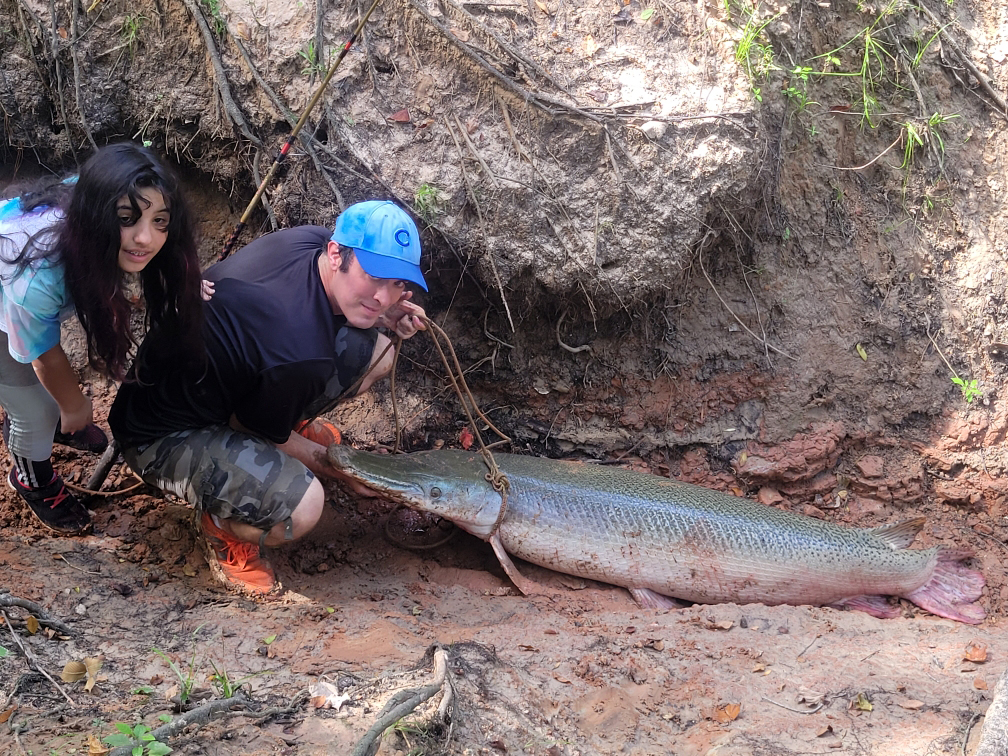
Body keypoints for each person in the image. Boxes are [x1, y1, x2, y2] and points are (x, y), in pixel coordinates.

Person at [108, 200, 428, 595]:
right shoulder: (297, 352)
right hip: (160, 435)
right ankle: (223, 530)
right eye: (374, 276)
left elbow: (300, 332)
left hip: (222, 383)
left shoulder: (310, 241)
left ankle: (278, 414)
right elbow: (254, 422)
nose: (383, 296)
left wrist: (383, 315)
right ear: (336, 254)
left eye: (397, 283)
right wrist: (342, 468)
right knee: (304, 507)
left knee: (377, 352)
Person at [0, 143, 204, 534]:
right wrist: (74, 406)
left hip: (25, 286)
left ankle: (57, 424)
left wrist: (185, 284)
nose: (146, 238)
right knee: (34, 410)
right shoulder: (38, 274)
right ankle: (32, 478)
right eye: (128, 219)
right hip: (10, 285)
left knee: (52, 405)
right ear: (97, 215)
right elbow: (43, 355)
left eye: (161, 221)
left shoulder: (105, 193)